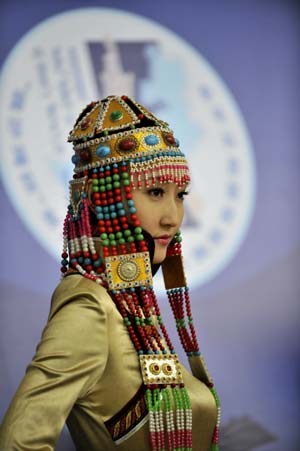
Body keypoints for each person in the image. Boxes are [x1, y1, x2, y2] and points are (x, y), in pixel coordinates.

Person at [0, 95, 220, 451]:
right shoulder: (89, 304)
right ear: (105, 198)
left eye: (179, 195)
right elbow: (17, 441)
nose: (173, 217)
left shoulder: (131, 304)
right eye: (154, 192)